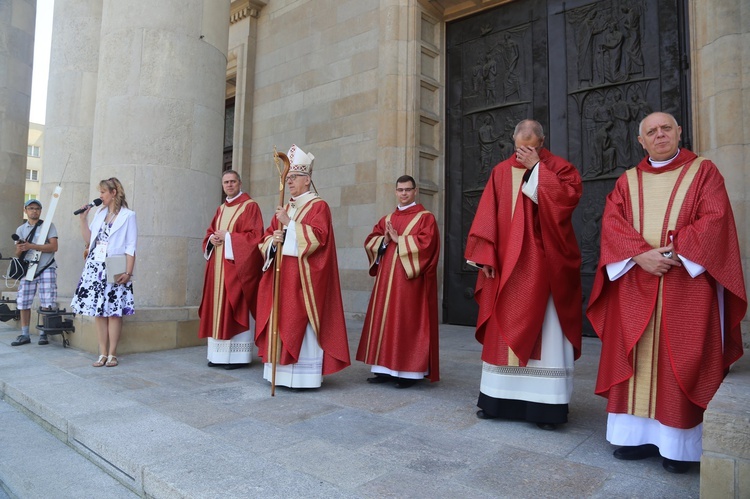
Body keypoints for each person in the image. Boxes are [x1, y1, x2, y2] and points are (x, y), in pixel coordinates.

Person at [587, 112, 747, 474]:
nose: (659, 135)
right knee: (636, 356)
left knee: (683, 357)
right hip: (635, 282)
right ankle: (633, 438)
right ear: (640, 141)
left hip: (685, 285)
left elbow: (715, 218)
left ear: (678, 133)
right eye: (651, 132)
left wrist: (671, 254)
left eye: (665, 129)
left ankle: (678, 446)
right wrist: (639, 256)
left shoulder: (704, 172)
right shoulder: (627, 181)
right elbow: (612, 223)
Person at [464, 119, 583, 430]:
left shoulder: (560, 168)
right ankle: (496, 401)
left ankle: (547, 409)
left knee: (546, 332)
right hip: (505, 266)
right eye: (521, 147)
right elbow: (487, 213)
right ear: (513, 142)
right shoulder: (501, 172)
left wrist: (538, 171)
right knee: (502, 333)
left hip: (546, 264)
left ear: (541, 143)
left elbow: (568, 199)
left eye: (532, 146)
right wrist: (484, 255)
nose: (526, 152)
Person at [255, 145, 350, 388]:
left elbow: (319, 239)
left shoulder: (319, 206)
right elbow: (266, 239)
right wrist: (273, 243)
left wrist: (289, 225)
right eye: (288, 178)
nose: (289, 183)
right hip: (282, 277)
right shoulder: (286, 206)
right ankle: (279, 373)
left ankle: (303, 378)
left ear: (307, 180)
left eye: (294, 178)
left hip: (303, 280)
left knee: (299, 321)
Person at [356, 175, 440, 388]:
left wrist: (399, 240)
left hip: (409, 283)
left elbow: (427, 245)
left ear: (415, 191)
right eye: (400, 190)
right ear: (395, 191)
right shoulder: (387, 218)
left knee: (405, 322)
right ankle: (383, 369)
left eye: (407, 190)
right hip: (386, 282)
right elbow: (370, 241)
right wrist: (383, 241)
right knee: (385, 320)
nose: (403, 193)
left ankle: (408, 373)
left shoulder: (425, 218)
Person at [198, 170, 264, 369]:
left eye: (232, 181)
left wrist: (228, 237)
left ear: (240, 183)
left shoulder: (250, 206)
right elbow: (210, 231)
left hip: (236, 270)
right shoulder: (220, 209)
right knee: (216, 309)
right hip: (217, 269)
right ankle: (217, 356)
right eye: (226, 182)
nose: (229, 185)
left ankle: (237, 358)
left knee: (234, 308)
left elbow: (255, 237)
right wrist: (212, 239)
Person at [72, 178, 137, 368]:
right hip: (95, 266)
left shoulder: (128, 215)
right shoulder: (99, 214)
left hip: (115, 266)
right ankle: (101, 353)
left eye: (103, 192)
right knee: (99, 312)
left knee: (114, 312)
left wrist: (129, 271)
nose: (100, 196)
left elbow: (131, 246)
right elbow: (89, 240)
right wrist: (83, 219)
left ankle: (112, 354)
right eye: (100, 192)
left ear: (113, 192)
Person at [10, 199, 59, 346]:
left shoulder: (48, 226)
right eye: (31, 208)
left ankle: (44, 333)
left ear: (40, 211)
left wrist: (32, 245)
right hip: (28, 268)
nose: (34, 211)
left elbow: (54, 247)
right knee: (23, 301)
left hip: (46, 266)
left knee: (47, 301)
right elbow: (17, 253)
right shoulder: (20, 229)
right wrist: (21, 247)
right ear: (26, 210)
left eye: (37, 208)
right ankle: (25, 334)